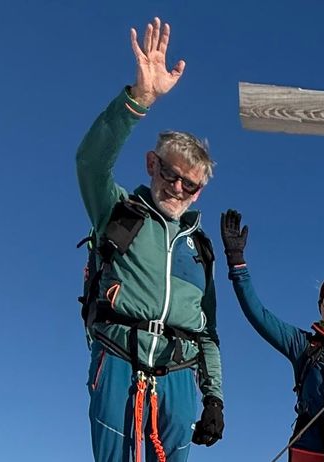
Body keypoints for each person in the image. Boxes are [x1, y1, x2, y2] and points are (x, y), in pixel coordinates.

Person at [77, 17, 224, 462]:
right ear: (150, 164)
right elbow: (90, 162)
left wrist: (214, 397)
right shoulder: (119, 211)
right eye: (170, 174)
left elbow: (208, 332)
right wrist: (139, 100)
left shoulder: (199, 248)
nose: (177, 188)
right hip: (119, 354)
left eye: (190, 185)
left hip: (179, 371)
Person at [220, 210, 324, 462]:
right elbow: (258, 315)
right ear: (320, 307)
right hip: (309, 447)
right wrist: (237, 263)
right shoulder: (304, 345)